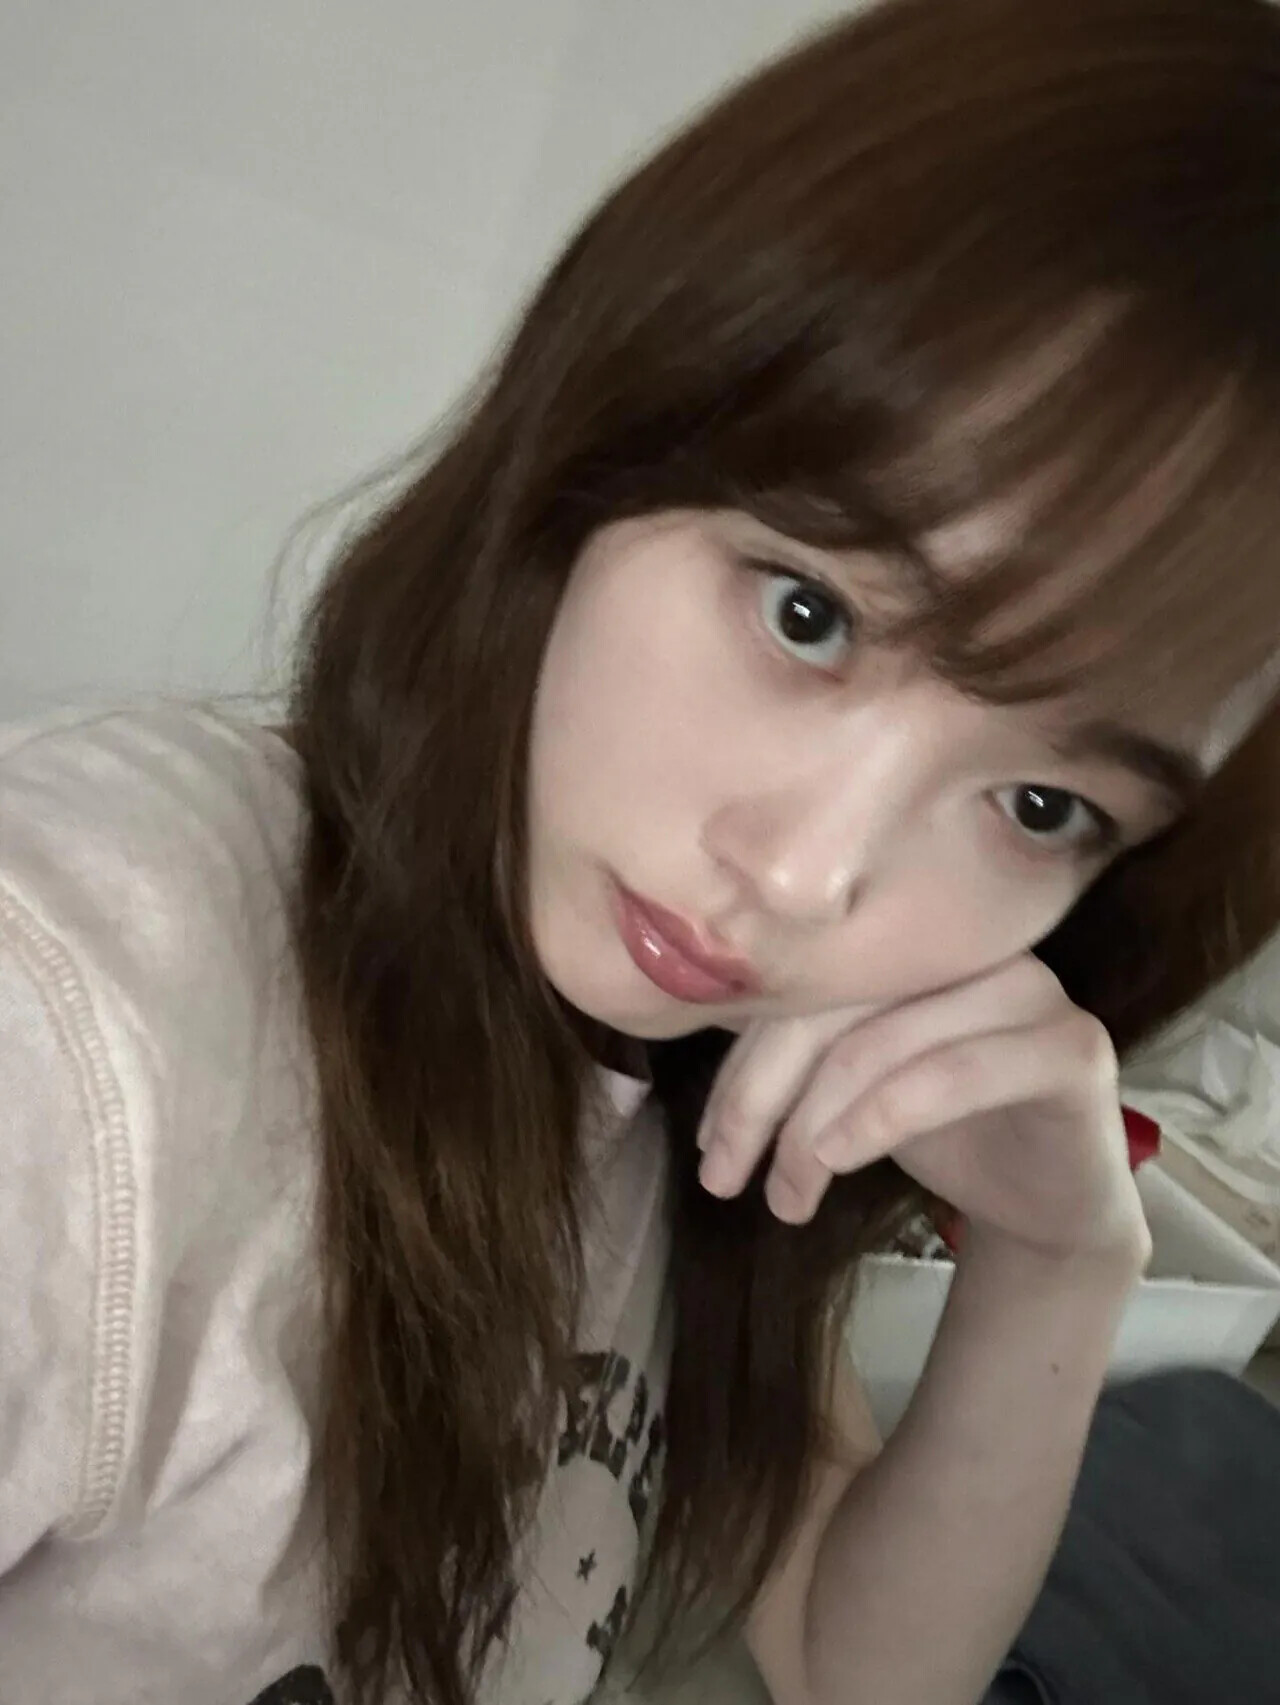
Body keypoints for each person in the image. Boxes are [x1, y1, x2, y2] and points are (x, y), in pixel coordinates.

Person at [4, 0, 1280, 1701]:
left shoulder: (690, 1083)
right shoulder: (79, 1023)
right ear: (610, 435)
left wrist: (1060, 1263)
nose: (810, 880)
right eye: (810, 613)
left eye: (1043, 805)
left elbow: (852, 1662)